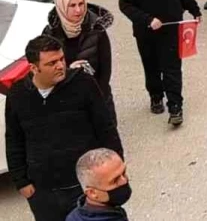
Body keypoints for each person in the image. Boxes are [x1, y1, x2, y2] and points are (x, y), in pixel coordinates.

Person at [5, 36, 123, 221]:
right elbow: (14, 139)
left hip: (85, 187)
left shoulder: (83, 84)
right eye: (52, 63)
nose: (60, 65)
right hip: (44, 192)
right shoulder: (18, 95)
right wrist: (22, 182)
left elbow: (106, 128)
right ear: (34, 68)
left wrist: (117, 170)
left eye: (61, 59)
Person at [118, 0, 201, 125]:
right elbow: (125, 5)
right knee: (152, 67)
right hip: (146, 33)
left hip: (172, 29)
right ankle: (156, 96)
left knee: (172, 68)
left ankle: (175, 107)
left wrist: (194, 10)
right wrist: (147, 20)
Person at [43, 0, 115, 114]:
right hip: (65, 102)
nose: (78, 10)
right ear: (61, 6)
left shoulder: (97, 29)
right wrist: (70, 70)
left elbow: (105, 70)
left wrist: (97, 98)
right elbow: (46, 71)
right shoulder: (50, 33)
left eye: (81, 4)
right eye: (72, 5)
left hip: (97, 97)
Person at [65, 148, 130, 221]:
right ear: (92, 193)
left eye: (124, 173)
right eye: (115, 180)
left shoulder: (73, 217)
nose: (124, 181)